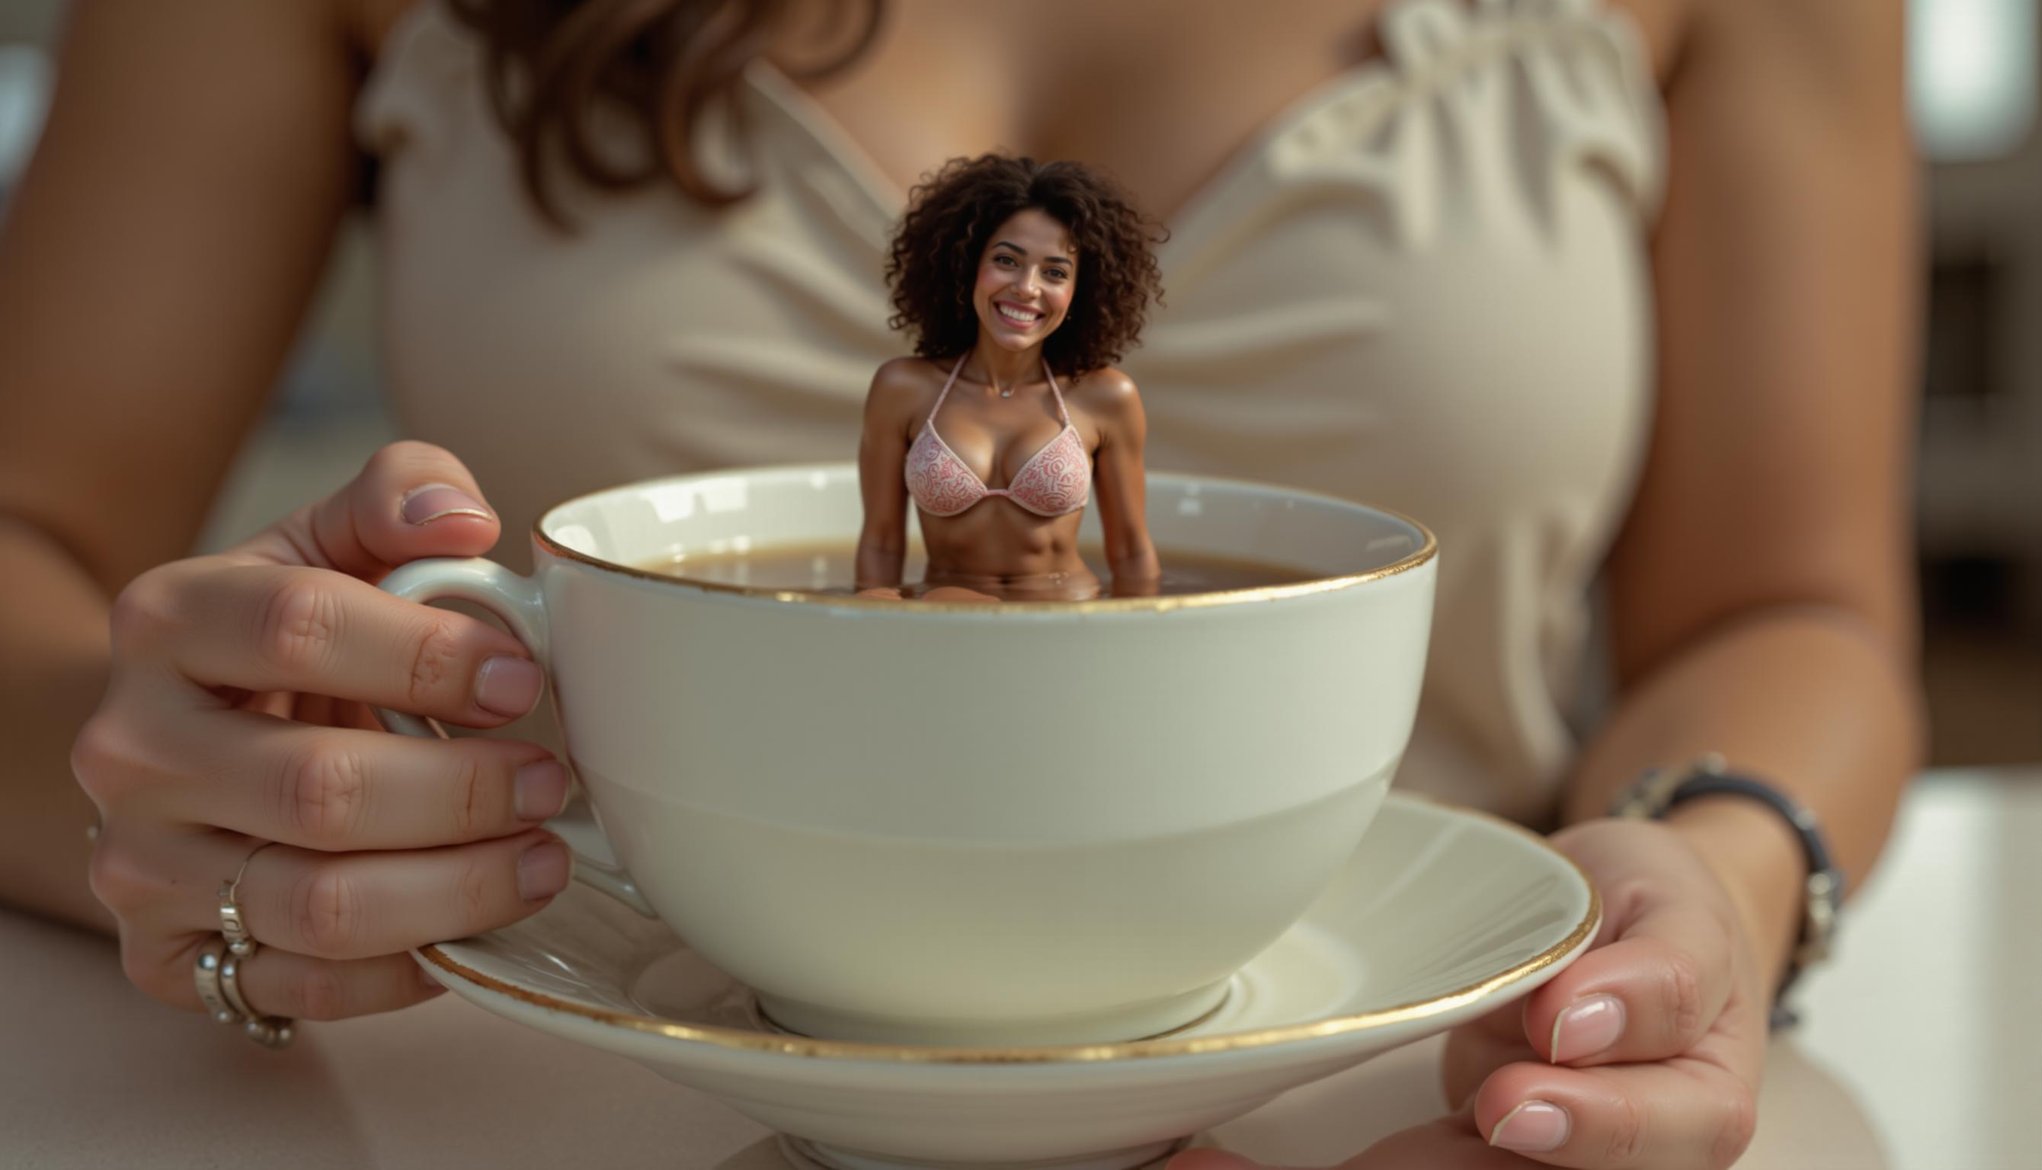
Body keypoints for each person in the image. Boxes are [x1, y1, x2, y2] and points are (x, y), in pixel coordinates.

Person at [0, 0, 1921, 1166]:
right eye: (991, 270)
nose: (1018, 292)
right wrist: (193, 774)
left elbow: (1789, 612)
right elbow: (36, 541)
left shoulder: (1109, 418)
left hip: (1397, 1109)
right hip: (525, 1103)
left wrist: (1709, 882)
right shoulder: (901, 396)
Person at [856, 153, 1163, 602]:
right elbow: (881, 544)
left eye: (1055, 272)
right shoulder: (903, 389)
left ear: (1080, 291)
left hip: (1064, 621)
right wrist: (870, 631)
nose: (1027, 287)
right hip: (949, 624)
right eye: (1006, 260)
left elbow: (1133, 552)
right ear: (966, 265)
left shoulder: (1106, 397)